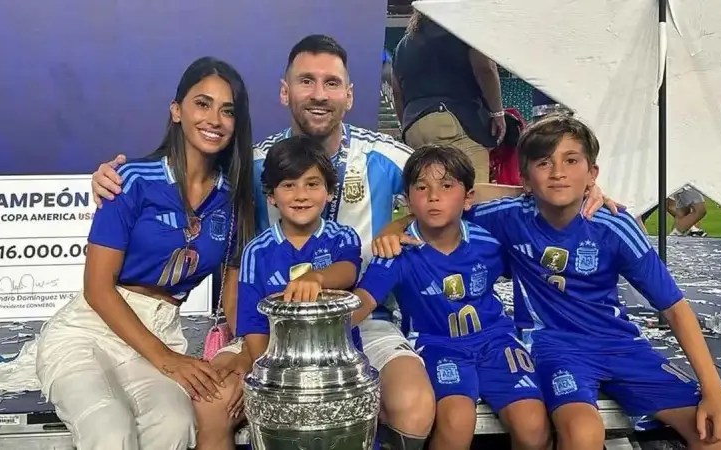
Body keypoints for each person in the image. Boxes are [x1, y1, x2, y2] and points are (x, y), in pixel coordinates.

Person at [87, 35, 612, 448]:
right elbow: (188, 178)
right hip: (267, 329)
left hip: (366, 319)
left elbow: (458, 188)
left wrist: (566, 190)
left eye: (332, 83)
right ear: (285, 92)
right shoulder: (255, 165)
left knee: (414, 406)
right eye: (306, 81)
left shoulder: (384, 156)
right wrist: (110, 177)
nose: (319, 94)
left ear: (350, 94)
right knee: (210, 406)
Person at [375, 114, 721, 450]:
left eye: (571, 161)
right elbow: (452, 199)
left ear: (593, 173)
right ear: (525, 178)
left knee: (718, 434)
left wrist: (714, 392)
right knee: (582, 433)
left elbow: (675, 308)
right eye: (543, 163)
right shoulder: (510, 216)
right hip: (553, 346)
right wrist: (397, 226)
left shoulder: (615, 225)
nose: (558, 173)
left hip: (620, 344)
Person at [33, 57, 255, 450]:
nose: (214, 119)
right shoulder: (132, 179)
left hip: (163, 330)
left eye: (227, 110)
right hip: (93, 329)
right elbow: (97, 289)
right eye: (202, 104)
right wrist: (167, 359)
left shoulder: (233, 198)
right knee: (110, 431)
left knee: (175, 426)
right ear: (177, 111)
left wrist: (247, 354)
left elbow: (234, 295)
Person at [353, 145, 551, 450]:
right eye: (422, 188)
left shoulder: (489, 242)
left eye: (447, 186)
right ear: (407, 201)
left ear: (468, 198)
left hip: (496, 340)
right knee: (457, 421)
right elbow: (363, 300)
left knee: (533, 425)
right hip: (437, 345)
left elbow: (532, 259)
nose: (434, 196)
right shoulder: (397, 251)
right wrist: (319, 328)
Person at [235, 135, 368, 362]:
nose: (301, 196)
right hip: (280, 362)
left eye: (312, 184)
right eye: (288, 185)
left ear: (329, 192)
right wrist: (268, 370)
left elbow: (348, 271)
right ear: (271, 195)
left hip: (338, 359)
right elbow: (253, 323)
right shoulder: (256, 251)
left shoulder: (342, 237)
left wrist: (316, 278)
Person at [392, 9, 506, 184]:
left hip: (414, 126)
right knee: (474, 193)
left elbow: (397, 92)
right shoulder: (465, 31)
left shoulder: (403, 44)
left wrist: (408, 125)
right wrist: (497, 113)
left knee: (431, 193)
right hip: (455, 119)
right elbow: (485, 68)